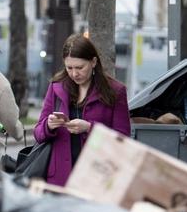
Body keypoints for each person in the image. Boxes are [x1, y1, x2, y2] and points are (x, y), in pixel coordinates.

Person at [33, 34, 131, 186]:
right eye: (69, 68)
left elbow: (123, 139)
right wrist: (49, 125)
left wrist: (89, 128)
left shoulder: (116, 91)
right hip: (59, 179)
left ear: (93, 62)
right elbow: (38, 133)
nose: (74, 74)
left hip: (97, 177)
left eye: (79, 67)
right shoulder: (56, 87)